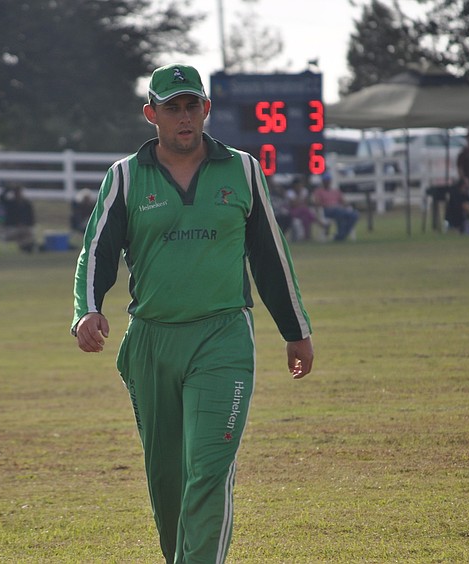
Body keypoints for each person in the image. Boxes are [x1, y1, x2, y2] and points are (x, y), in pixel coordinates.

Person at [71, 63, 314, 564]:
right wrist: (87, 311)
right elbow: (97, 251)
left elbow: (270, 254)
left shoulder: (243, 168)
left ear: (206, 108)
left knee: (208, 469)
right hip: (151, 342)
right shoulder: (124, 177)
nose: (184, 117)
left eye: (191, 106)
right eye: (171, 108)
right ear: (151, 114)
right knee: (167, 482)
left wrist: (296, 330)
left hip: (222, 336)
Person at [310, 171, 358, 241]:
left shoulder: (336, 191)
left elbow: (343, 202)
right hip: (327, 210)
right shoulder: (318, 191)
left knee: (354, 215)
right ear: (323, 181)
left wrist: (347, 204)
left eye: (328, 180)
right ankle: (340, 236)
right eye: (325, 180)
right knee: (340, 212)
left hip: (339, 210)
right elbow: (317, 203)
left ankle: (341, 235)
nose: (327, 182)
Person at [0, 185, 36, 253]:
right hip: (11, 228)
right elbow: (1, 198)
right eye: (16, 192)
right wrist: (8, 188)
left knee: (27, 231)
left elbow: (32, 219)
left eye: (19, 192)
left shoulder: (26, 204)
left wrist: (24, 224)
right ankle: (26, 247)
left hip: (24, 228)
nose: (18, 194)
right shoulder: (9, 204)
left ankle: (26, 247)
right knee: (21, 232)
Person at [286, 176, 322, 241]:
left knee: (305, 217)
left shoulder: (304, 191)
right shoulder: (290, 192)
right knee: (305, 210)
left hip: (302, 212)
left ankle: (306, 237)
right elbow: (293, 204)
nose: (299, 186)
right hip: (292, 212)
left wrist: (299, 202)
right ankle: (320, 223)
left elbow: (306, 202)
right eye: (298, 185)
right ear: (294, 185)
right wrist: (301, 201)